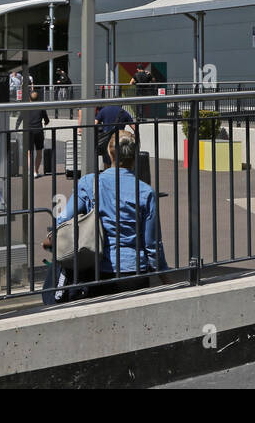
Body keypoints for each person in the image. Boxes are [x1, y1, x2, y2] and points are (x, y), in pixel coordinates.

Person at [44, 125, 161, 298]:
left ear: (109, 152)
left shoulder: (89, 183)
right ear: (134, 156)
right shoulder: (145, 192)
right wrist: (162, 272)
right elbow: (152, 243)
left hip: (99, 269)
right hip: (135, 269)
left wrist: (50, 238)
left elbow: (63, 219)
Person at [21, 87, 50, 176]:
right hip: (38, 131)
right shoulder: (41, 107)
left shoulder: (26, 107)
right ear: (38, 98)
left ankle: (30, 171)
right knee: (39, 152)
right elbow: (47, 121)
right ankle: (36, 171)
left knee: (28, 153)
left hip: (28, 131)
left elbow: (21, 118)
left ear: (29, 99)